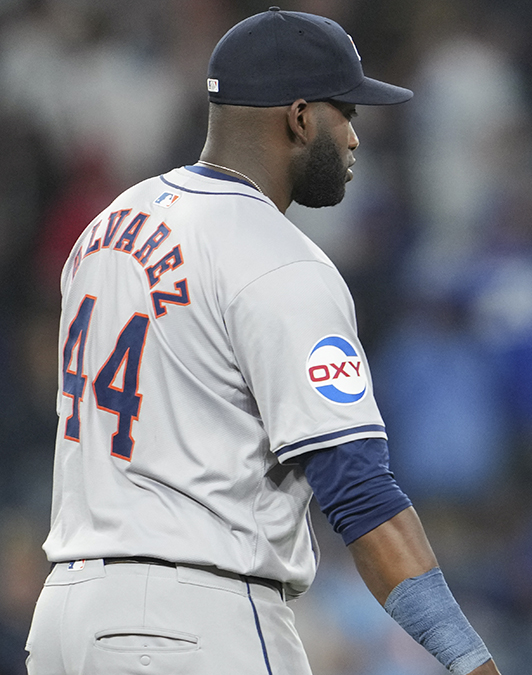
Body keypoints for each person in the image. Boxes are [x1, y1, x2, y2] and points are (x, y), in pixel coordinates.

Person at [25, 9, 500, 675]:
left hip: (64, 621)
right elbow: (360, 493)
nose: (357, 137)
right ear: (301, 117)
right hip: (192, 623)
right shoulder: (281, 261)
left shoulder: (108, 224)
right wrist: (471, 660)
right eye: (347, 113)